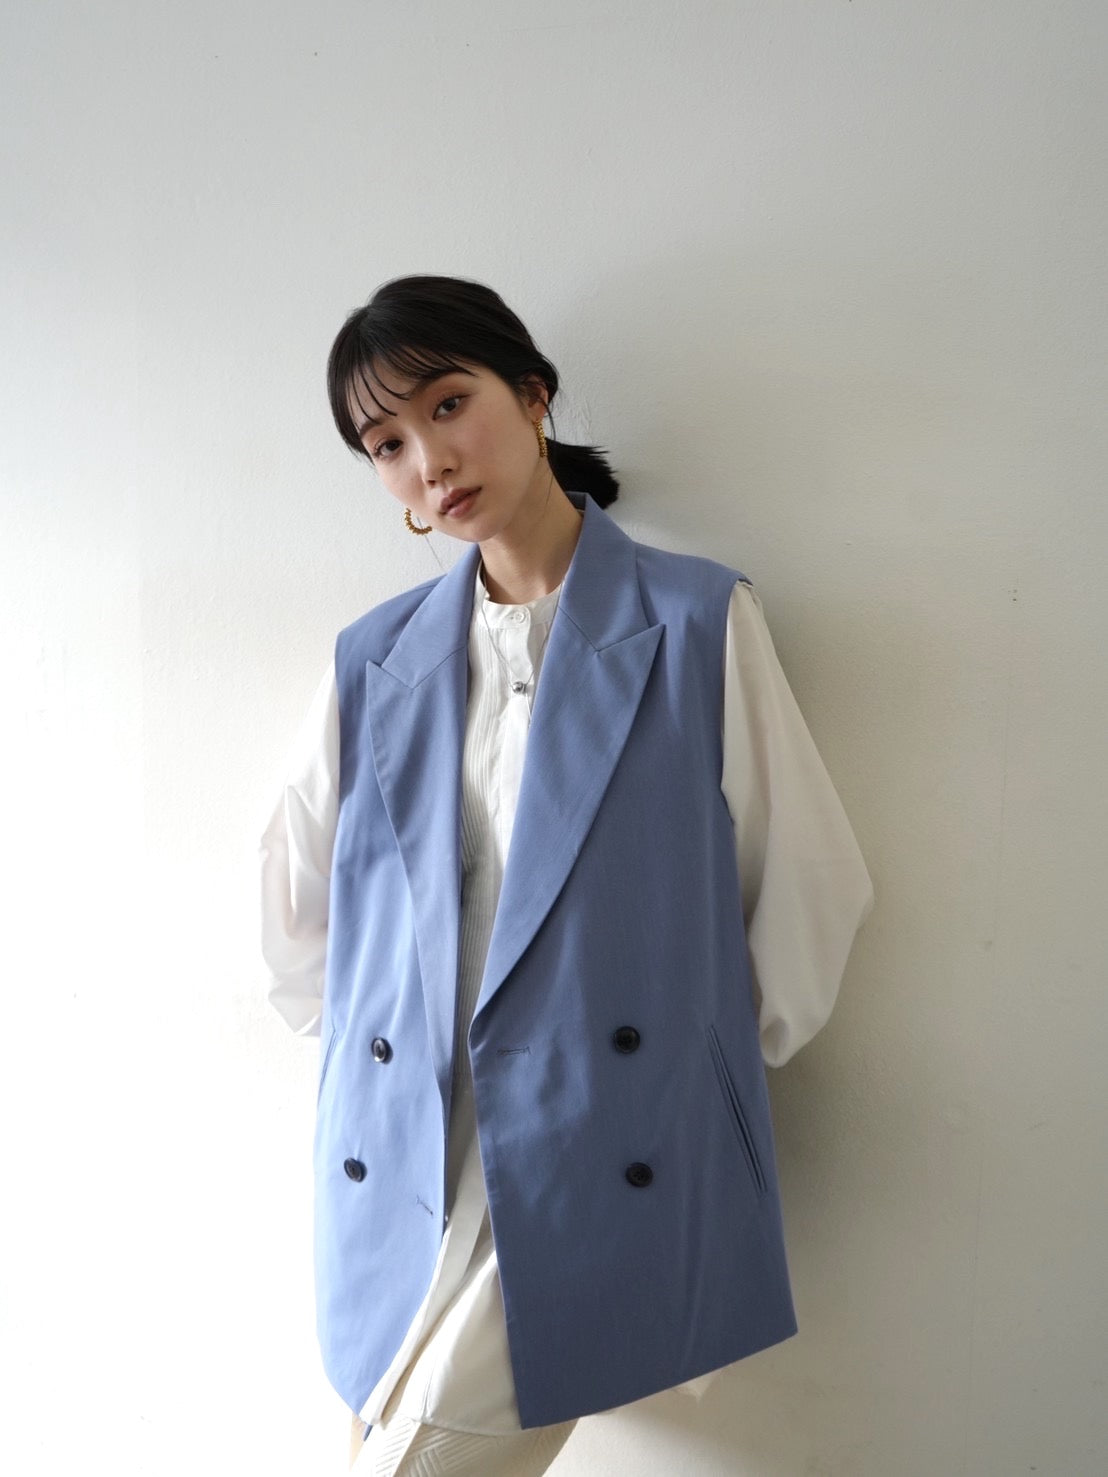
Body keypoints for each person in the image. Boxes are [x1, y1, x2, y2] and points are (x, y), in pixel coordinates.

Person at [259, 274, 875, 1476]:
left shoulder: (695, 620)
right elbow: (291, 902)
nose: (430, 460)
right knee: (382, 1433)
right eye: (387, 444)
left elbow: (808, 877)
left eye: (449, 404)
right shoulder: (376, 658)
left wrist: (679, 1081)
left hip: (608, 1135)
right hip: (414, 1148)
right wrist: (383, 1058)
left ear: (533, 395)